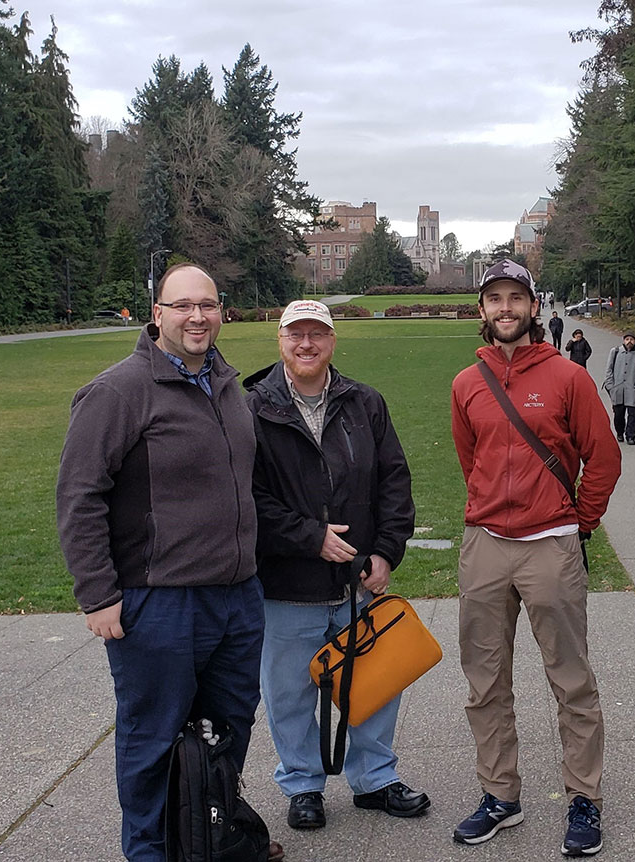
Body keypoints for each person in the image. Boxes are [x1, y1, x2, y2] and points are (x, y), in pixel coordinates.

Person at [56, 263, 283, 862]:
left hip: (236, 597)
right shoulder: (118, 392)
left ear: (220, 310)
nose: (197, 316)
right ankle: (152, 853)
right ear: (158, 314)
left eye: (207, 304)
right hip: (159, 602)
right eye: (182, 305)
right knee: (153, 740)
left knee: (228, 733)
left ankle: (210, 840)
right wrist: (98, 593)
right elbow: (80, 495)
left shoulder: (230, 387)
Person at [450, 259, 621, 857]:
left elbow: (602, 460)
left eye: (514, 298)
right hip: (486, 544)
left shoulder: (568, 377)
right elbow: (469, 458)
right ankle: (501, 795)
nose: (504, 308)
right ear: (482, 310)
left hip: (550, 543)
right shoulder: (467, 383)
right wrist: (489, 509)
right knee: (485, 681)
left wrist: (580, 522)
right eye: (493, 298)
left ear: (530, 305)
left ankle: (584, 798)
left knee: (570, 679)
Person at [244, 299, 430, 833]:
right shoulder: (253, 409)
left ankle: (374, 778)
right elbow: (247, 498)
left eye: (317, 334)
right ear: (279, 340)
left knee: (373, 682)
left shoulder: (364, 403)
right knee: (290, 694)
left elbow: (394, 481)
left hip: (358, 584)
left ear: (332, 341)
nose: (307, 344)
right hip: (287, 583)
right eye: (296, 334)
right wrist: (309, 538)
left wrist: (386, 551)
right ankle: (303, 785)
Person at [604, 330, 635, 445]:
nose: (629, 342)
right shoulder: (615, 352)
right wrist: (610, 386)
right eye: (627, 339)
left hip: (632, 390)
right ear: (623, 340)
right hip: (617, 389)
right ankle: (619, 432)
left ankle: (631, 436)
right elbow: (609, 369)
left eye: (631, 339)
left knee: (632, 414)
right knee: (618, 414)